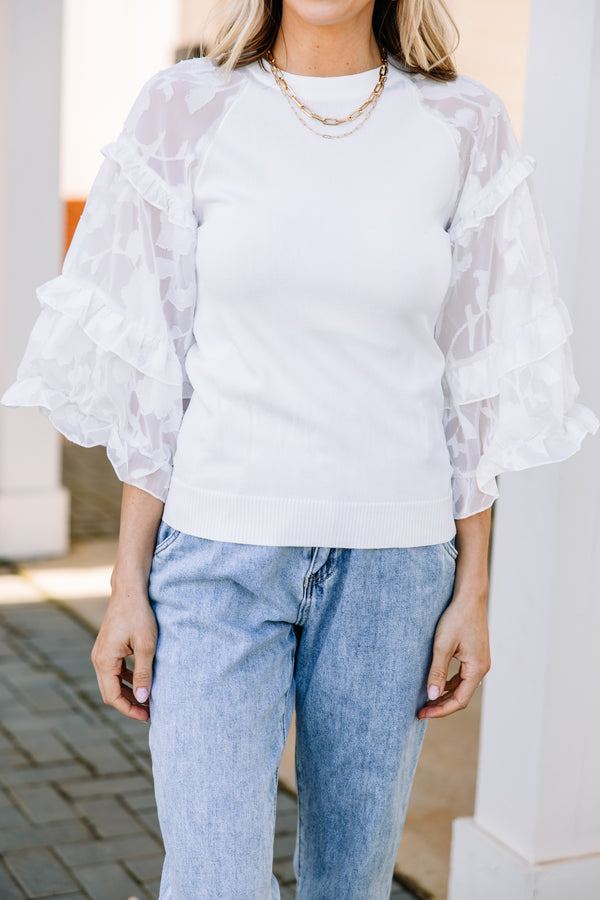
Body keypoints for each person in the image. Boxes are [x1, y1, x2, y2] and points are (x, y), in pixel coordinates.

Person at [2, 0, 598, 897]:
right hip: (214, 558)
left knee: (348, 885)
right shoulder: (186, 106)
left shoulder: (462, 123)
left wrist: (473, 591)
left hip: (395, 571)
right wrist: (128, 579)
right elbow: (155, 371)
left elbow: (475, 381)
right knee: (214, 881)